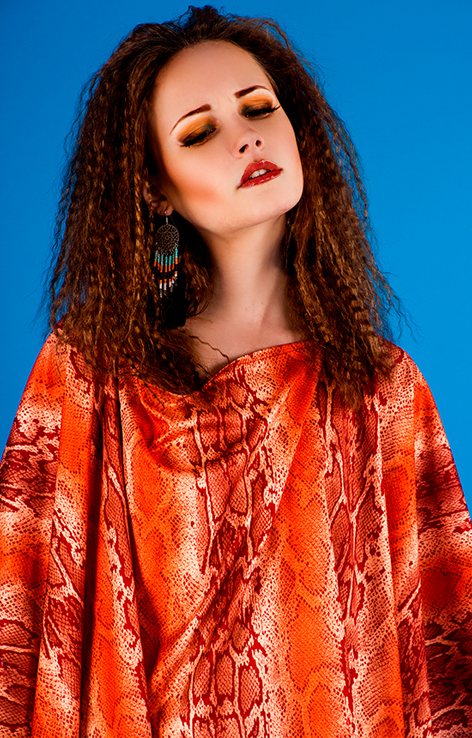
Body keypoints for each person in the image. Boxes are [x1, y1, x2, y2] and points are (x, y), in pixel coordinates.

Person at [0, 5, 470, 737]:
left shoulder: (382, 390)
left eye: (258, 108)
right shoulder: (92, 375)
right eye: (198, 132)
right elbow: (23, 628)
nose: (246, 135)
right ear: (155, 188)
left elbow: (445, 666)